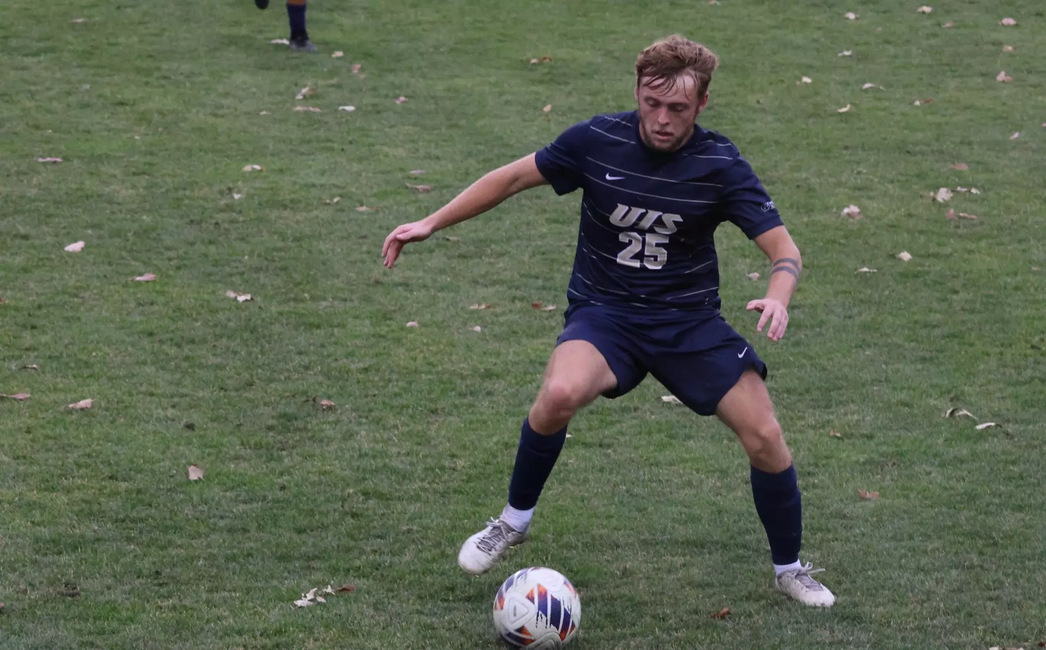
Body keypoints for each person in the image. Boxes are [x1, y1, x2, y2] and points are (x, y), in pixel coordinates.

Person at [381, 35, 835, 607]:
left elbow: (784, 250)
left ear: (703, 104)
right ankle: (512, 522)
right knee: (559, 393)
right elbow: (513, 177)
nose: (662, 119)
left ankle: (790, 567)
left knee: (765, 434)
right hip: (606, 314)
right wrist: (432, 221)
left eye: (678, 108)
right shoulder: (596, 141)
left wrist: (779, 295)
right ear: (637, 93)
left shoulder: (720, 163)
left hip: (686, 322)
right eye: (652, 103)